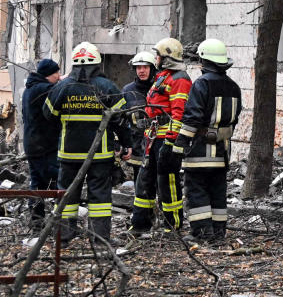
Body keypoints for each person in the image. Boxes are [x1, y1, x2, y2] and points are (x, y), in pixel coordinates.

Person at [43, 43, 132, 245]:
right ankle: (99, 240)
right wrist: (127, 145)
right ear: (97, 63)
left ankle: (63, 239)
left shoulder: (62, 87)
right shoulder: (107, 87)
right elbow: (122, 120)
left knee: (66, 197)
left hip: (69, 154)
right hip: (99, 156)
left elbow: (48, 114)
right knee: (99, 198)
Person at [170, 39, 242, 244]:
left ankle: (202, 233)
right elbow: (234, 119)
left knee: (197, 191)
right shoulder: (233, 86)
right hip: (222, 151)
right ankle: (219, 233)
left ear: (204, 61)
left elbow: (192, 117)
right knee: (218, 192)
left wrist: (180, 144)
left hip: (200, 151)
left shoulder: (201, 84)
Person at [130, 38, 192, 233]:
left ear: (166, 57)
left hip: (165, 139)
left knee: (168, 183)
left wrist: (171, 142)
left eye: (157, 55)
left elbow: (179, 113)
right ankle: (140, 224)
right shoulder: (163, 76)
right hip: (152, 139)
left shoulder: (179, 79)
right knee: (144, 181)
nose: (155, 58)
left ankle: (172, 225)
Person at [21, 59, 62, 228]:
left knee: (37, 182)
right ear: (49, 75)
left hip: (33, 144)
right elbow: (58, 91)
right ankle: (60, 220)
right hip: (42, 145)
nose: (59, 77)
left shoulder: (30, 88)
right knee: (57, 177)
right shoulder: (42, 89)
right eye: (57, 74)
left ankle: (36, 219)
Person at [122, 51, 157, 184]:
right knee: (140, 182)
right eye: (138, 67)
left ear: (152, 68)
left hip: (157, 142)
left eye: (145, 67)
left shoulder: (159, 89)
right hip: (137, 144)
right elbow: (122, 119)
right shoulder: (128, 91)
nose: (141, 71)